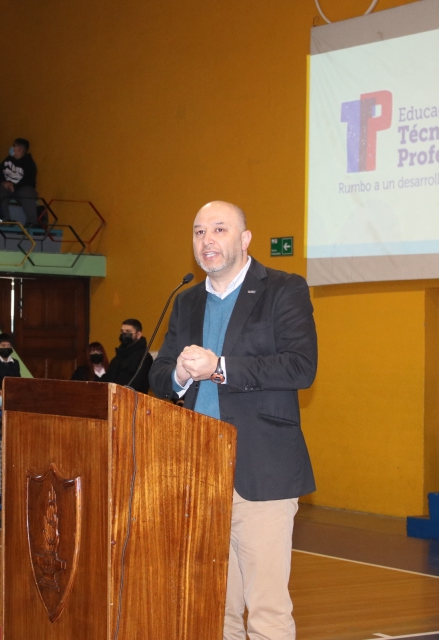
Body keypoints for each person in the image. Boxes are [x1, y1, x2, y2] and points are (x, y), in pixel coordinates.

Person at [149, 201, 318, 640]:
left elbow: (301, 367)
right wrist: (179, 374)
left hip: (262, 469)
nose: (208, 240)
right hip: (199, 471)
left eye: (220, 229)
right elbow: (158, 376)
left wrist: (219, 367)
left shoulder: (284, 289)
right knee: (213, 608)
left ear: (244, 240)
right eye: (199, 231)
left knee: (266, 610)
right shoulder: (185, 302)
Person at [0, 138, 39, 227]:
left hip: (21, 189)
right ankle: (5, 220)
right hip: (7, 188)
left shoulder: (29, 163)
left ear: (19, 149)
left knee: (27, 191)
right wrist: (4, 182)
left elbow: (29, 181)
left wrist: (15, 186)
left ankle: (31, 222)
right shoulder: (7, 159)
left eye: (14, 146)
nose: (12, 148)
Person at [101, 319, 152, 393]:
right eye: (122, 331)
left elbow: (138, 384)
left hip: (134, 401)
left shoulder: (145, 358)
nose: (124, 334)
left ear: (138, 335)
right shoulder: (116, 358)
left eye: (128, 331)